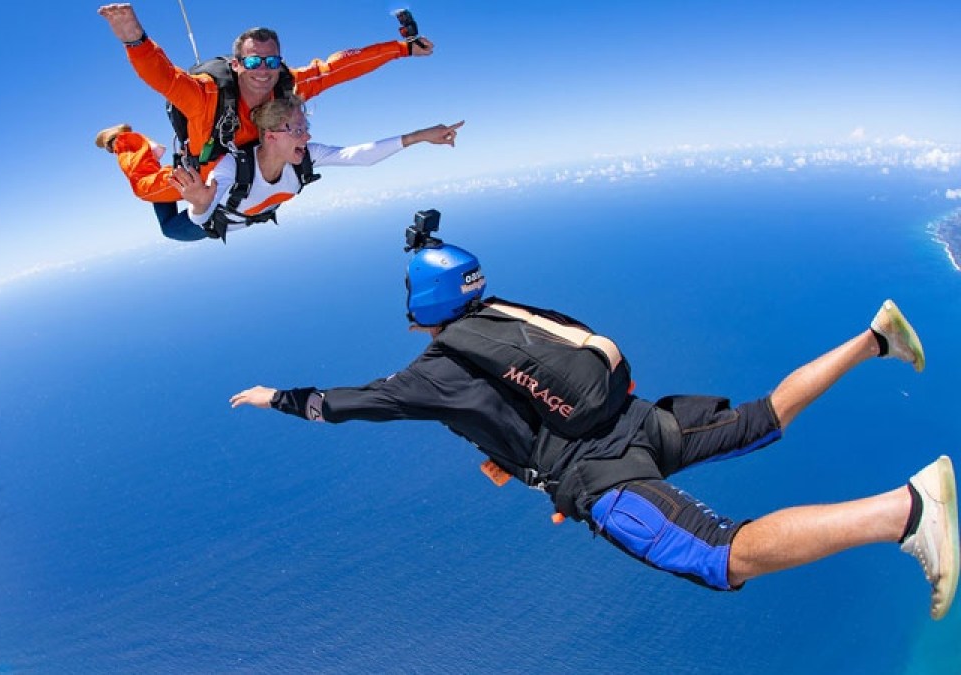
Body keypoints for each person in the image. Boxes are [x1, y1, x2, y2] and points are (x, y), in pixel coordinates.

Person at [228, 210, 959, 619]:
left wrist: (276, 398)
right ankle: (876, 337)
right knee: (762, 417)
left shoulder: (434, 370)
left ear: (417, 310)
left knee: (721, 553)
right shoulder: (504, 314)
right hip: (636, 421)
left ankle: (906, 510)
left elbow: (347, 404)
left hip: (601, 474)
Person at [96, 3, 434, 238]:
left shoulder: (286, 85)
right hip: (202, 173)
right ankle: (126, 141)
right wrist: (135, 40)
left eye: (271, 60)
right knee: (154, 203)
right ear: (237, 64)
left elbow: (338, 68)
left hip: (252, 172)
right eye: (254, 60)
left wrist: (402, 49)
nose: (264, 69)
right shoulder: (205, 96)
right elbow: (165, 79)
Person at [109, 96, 461, 241]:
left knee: (175, 213)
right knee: (169, 224)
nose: (306, 136)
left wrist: (420, 136)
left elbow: (360, 155)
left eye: (305, 128)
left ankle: (157, 157)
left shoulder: (304, 155)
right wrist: (200, 203)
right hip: (220, 220)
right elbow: (201, 220)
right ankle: (131, 144)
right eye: (297, 129)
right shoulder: (232, 167)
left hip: (240, 217)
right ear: (271, 135)